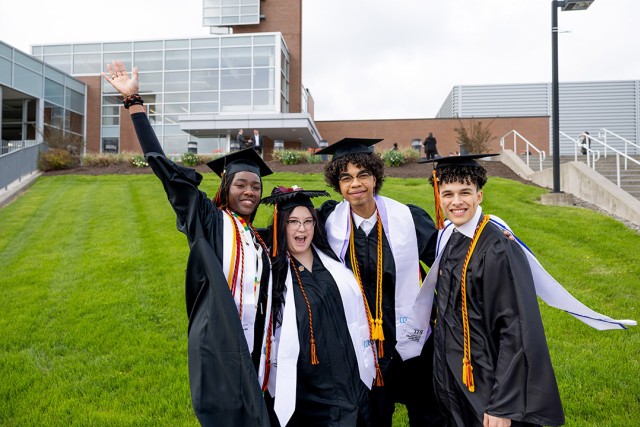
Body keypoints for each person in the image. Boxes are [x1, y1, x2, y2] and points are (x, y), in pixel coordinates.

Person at [102, 61, 273, 427]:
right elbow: (165, 170)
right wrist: (134, 103)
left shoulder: (258, 240)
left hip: (257, 343)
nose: (249, 191)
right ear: (226, 187)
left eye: (255, 186)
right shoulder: (208, 221)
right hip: (220, 342)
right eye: (241, 184)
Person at [417, 153, 636, 426]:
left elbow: (516, 328)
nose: (456, 201)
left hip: (486, 381)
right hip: (455, 376)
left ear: (480, 195)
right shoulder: (451, 238)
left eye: (465, 192)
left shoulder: (496, 248)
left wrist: (502, 405)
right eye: (447, 194)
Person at [315, 138, 445, 427]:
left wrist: (488, 236)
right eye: (345, 177)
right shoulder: (329, 224)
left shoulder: (407, 218)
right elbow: (293, 242)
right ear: (338, 184)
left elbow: (446, 257)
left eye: (363, 174)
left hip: (412, 336)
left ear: (375, 177)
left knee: (428, 413)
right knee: (372, 417)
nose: (355, 184)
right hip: (362, 341)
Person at [262, 186, 377, 427]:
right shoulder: (273, 273)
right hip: (308, 386)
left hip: (349, 372)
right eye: (293, 222)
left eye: (307, 221)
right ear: (281, 225)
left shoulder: (333, 261)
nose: (301, 229)